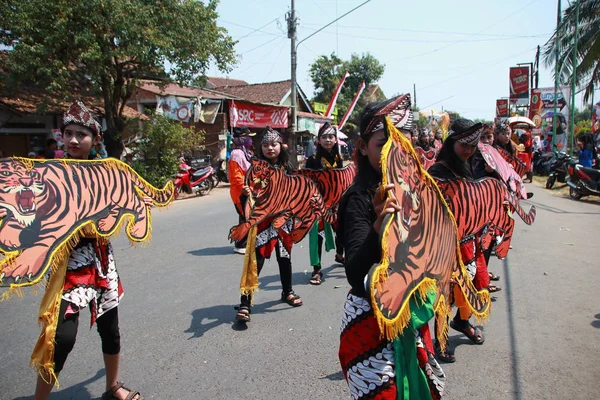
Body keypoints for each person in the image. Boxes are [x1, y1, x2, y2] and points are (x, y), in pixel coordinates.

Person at [4, 101, 148, 400]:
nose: (72, 140)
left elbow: (118, 207)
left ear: (94, 139)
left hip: (101, 258)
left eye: (80, 134)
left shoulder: (106, 172)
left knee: (111, 330)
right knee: (62, 337)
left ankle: (112, 387)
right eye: (67, 133)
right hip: (67, 263)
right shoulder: (46, 172)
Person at [338, 94, 445, 400]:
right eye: (383, 142)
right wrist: (378, 226)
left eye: (402, 140)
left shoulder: (418, 188)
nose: (394, 150)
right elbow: (356, 273)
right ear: (362, 147)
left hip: (412, 317)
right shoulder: (359, 198)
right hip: (370, 324)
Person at [428, 118, 488, 362]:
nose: (469, 150)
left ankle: (462, 322)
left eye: (473, 146)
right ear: (452, 141)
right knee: (446, 292)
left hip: (469, 240)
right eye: (465, 145)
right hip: (445, 243)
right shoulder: (437, 171)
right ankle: (440, 340)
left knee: (473, 284)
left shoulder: (468, 165)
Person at [235, 127, 302, 323]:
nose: (270, 148)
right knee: (256, 261)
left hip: (283, 222)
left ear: (280, 145)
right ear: (260, 148)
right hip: (262, 223)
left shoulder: (289, 167)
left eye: (273, 144)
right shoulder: (254, 168)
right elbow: (245, 198)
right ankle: (245, 303)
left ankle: (287, 292)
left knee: (284, 258)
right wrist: (247, 194)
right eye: (265, 145)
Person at [305, 122, 345, 285]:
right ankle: (316, 269)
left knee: (342, 231)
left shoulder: (339, 159)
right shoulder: (312, 160)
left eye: (331, 136)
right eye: (324, 137)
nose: (328, 140)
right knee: (317, 238)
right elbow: (307, 182)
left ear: (335, 139)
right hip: (318, 204)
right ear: (318, 140)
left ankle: (340, 255)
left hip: (336, 204)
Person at [228, 127, 255, 254]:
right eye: (248, 137)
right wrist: (246, 188)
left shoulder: (244, 152)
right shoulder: (237, 154)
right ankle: (240, 244)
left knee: (246, 216)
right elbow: (236, 177)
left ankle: (245, 241)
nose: (250, 140)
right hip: (240, 192)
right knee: (245, 217)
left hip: (246, 190)